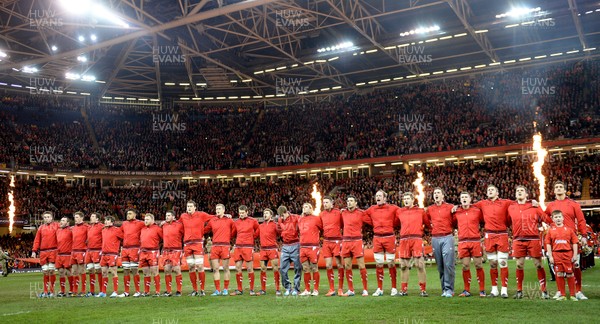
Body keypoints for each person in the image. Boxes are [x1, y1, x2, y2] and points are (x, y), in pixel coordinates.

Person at [545, 181, 588, 300]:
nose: (558, 189)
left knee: (576, 265)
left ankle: (578, 291)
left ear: (565, 190)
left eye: (560, 187)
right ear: (554, 191)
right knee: (558, 267)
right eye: (556, 187)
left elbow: (581, 220)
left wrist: (583, 235)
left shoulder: (573, 204)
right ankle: (560, 291)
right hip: (557, 241)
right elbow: (545, 217)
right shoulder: (551, 205)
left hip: (571, 239)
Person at [508, 186, 551, 299]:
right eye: (517, 191)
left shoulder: (534, 206)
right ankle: (519, 290)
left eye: (522, 190)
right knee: (519, 264)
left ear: (527, 194)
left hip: (533, 239)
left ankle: (544, 290)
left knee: (538, 265)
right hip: (518, 239)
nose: (519, 192)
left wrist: (557, 227)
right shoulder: (511, 207)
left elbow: (546, 218)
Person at [471, 185, 513, 298]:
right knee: (493, 263)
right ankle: (494, 289)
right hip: (489, 235)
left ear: (497, 192)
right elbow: (468, 206)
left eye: (492, 190)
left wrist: (532, 201)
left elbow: (518, 203)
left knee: (503, 262)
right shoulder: (482, 203)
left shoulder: (505, 202)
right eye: (488, 190)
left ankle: (504, 289)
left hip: (502, 234)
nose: (489, 191)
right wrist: (456, 207)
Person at [364, 190, 400, 296]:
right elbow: (363, 216)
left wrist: (393, 224)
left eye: (380, 196)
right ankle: (380, 288)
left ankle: (394, 288)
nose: (378, 198)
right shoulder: (372, 209)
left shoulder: (393, 208)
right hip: (377, 238)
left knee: (390, 262)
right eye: (376, 196)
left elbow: (402, 214)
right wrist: (374, 224)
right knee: (379, 263)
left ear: (385, 198)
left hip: (389, 237)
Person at [396, 192, 431, 297]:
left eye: (408, 199)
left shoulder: (420, 211)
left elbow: (427, 224)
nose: (406, 200)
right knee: (403, 266)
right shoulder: (400, 211)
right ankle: (403, 290)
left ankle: (423, 290)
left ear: (412, 200)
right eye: (404, 199)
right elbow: (396, 224)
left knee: (419, 265)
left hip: (416, 239)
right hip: (404, 240)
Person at [453, 192, 485, 297]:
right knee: (465, 265)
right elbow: (453, 223)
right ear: (460, 199)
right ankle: (466, 290)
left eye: (466, 197)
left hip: (475, 241)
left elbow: (484, 221)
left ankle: (482, 290)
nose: (464, 199)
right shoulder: (456, 212)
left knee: (478, 265)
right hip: (463, 241)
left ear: (470, 199)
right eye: (462, 197)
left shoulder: (477, 211)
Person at [179, 200, 215, 296]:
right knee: (191, 267)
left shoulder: (201, 215)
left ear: (195, 207)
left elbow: (214, 217)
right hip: (187, 244)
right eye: (188, 206)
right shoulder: (183, 216)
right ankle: (194, 290)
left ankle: (202, 290)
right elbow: (177, 225)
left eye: (191, 206)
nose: (189, 208)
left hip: (197, 243)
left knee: (199, 266)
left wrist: (225, 215)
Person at [426, 188, 455, 298]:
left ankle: (449, 289)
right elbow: (426, 220)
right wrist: (432, 229)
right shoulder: (430, 209)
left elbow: (455, 219)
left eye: (438, 193)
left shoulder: (450, 207)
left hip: (447, 236)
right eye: (435, 193)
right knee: (440, 265)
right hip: (435, 238)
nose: (436, 195)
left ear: (443, 195)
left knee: (448, 263)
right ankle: (444, 288)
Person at [340, 195, 370, 297]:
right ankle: (350, 290)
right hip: (346, 241)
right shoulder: (343, 213)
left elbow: (370, 222)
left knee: (361, 265)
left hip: (357, 241)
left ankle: (365, 289)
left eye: (351, 201)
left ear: (356, 203)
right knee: (347, 266)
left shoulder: (361, 213)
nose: (349, 203)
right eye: (348, 201)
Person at [545, 210, 578, 301]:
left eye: (559, 217)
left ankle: (572, 295)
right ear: (553, 219)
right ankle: (562, 295)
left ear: (563, 218)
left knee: (570, 274)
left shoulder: (569, 230)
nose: (558, 219)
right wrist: (550, 256)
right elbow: (548, 244)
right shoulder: (551, 231)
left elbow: (575, 242)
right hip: (556, 254)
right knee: (559, 274)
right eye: (556, 217)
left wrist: (575, 255)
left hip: (567, 254)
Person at [205, 203, 236, 296]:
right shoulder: (212, 221)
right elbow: (205, 230)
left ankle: (225, 289)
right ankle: (217, 290)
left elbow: (234, 231)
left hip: (225, 246)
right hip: (215, 246)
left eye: (219, 209)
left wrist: (228, 238)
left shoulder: (229, 220)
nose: (217, 210)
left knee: (226, 268)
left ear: (223, 210)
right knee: (215, 269)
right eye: (216, 209)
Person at [232, 205, 259, 296]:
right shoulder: (236, 222)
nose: (241, 214)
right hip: (238, 247)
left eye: (243, 213)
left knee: (249, 268)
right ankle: (239, 289)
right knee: (237, 268)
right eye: (240, 213)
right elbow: (233, 233)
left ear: (247, 212)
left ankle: (251, 289)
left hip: (248, 247)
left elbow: (258, 229)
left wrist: (252, 237)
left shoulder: (253, 221)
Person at [319, 196, 344, 297]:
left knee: (339, 264)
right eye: (323, 202)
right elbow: (320, 227)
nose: (324, 204)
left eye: (326, 202)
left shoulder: (338, 212)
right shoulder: (321, 215)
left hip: (337, 241)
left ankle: (340, 289)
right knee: (328, 265)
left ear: (332, 203)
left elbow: (343, 224)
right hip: (326, 242)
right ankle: (331, 289)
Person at [32, 211, 60, 298]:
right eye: (45, 217)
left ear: (52, 218)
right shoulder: (41, 228)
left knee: (51, 271)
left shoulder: (57, 226)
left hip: (53, 251)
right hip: (43, 252)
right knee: (45, 272)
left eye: (48, 217)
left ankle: (51, 291)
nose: (46, 218)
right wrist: (34, 251)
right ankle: (45, 291)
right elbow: (37, 240)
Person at [298, 203, 323, 296]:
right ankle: (307, 290)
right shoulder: (300, 219)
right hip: (303, 247)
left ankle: (316, 290)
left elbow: (322, 228)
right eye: (303, 207)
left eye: (306, 207)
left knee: (314, 267)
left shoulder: (316, 218)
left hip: (313, 246)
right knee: (305, 268)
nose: (304, 208)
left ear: (311, 209)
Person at [119, 208, 145, 297]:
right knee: (125, 270)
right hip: (125, 249)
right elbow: (120, 234)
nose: (128, 215)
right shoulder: (124, 224)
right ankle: (126, 292)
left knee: (134, 270)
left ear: (134, 215)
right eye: (127, 213)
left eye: (130, 213)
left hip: (135, 248)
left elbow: (149, 228)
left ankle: (137, 291)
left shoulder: (140, 223)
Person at [277, 205, 302, 296]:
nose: (281, 218)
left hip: (295, 244)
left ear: (286, 212)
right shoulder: (280, 220)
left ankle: (296, 288)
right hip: (285, 245)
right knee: (282, 269)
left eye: (282, 216)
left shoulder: (295, 217)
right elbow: (279, 230)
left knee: (297, 268)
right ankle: (288, 287)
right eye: (280, 216)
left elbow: (303, 221)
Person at [139, 213, 163, 297]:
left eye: (147, 219)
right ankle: (146, 291)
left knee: (154, 271)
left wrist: (157, 246)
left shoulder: (157, 229)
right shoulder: (143, 229)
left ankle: (157, 291)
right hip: (143, 252)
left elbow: (163, 238)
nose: (145, 221)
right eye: (145, 219)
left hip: (153, 252)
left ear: (152, 220)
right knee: (145, 272)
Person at [99, 215, 123, 298]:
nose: (105, 222)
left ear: (112, 222)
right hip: (104, 254)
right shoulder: (103, 230)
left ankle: (115, 291)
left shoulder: (117, 230)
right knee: (104, 273)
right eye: (105, 220)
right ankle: (103, 292)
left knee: (113, 272)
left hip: (112, 254)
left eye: (108, 220)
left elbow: (123, 238)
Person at [162, 210, 184, 297]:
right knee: (167, 269)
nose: (167, 217)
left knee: (177, 269)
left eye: (168, 215)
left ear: (173, 217)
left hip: (176, 250)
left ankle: (179, 291)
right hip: (166, 250)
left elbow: (185, 233)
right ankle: (168, 291)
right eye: (166, 215)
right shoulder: (163, 225)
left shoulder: (179, 225)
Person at [259, 208, 281, 295]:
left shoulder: (275, 225)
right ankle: (263, 289)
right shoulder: (260, 226)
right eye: (264, 213)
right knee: (262, 268)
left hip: (272, 248)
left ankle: (278, 289)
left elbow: (280, 233)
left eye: (267, 213)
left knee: (275, 268)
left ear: (271, 215)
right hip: (263, 249)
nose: (265, 215)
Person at [85, 212, 103, 297]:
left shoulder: (101, 227)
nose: (91, 217)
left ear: (97, 219)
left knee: (98, 270)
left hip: (97, 250)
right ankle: (92, 291)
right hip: (89, 251)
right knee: (90, 270)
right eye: (91, 216)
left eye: (93, 216)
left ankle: (101, 290)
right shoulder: (89, 227)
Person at [70, 212, 89, 297]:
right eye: (75, 217)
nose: (75, 219)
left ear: (82, 218)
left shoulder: (86, 227)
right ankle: (75, 291)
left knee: (82, 271)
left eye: (77, 217)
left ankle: (83, 290)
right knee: (74, 272)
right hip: (73, 252)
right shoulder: (72, 228)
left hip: (82, 251)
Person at [56, 216, 74, 297]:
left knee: (68, 272)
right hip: (59, 255)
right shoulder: (58, 231)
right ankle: (62, 290)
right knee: (60, 272)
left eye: (63, 220)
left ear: (67, 223)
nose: (61, 222)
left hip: (67, 254)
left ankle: (71, 289)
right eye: (61, 220)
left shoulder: (71, 230)